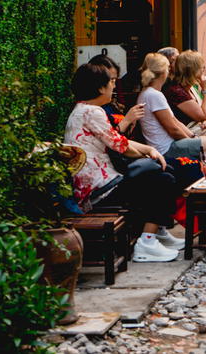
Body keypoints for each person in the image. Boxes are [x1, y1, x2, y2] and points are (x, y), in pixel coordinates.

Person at [64, 63, 185, 262]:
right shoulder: (92, 112)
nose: (113, 87)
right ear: (100, 88)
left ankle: (157, 231)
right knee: (163, 179)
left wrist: (149, 150)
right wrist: (150, 153)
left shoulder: (82, 110)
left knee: (163, 172)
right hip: (100, 190)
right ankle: (147, 242)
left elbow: (117, 140)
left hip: (94, 186)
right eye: (111, 82)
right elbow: (121, 146)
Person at [136, 53, 206, 161]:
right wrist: (192, 141)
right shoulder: (153, 95)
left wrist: (192, 137)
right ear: (164, 73)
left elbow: (175, 121)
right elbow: (173, 129)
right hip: (166, 148)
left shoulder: (150, 93)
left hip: (169, 145)